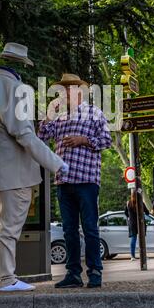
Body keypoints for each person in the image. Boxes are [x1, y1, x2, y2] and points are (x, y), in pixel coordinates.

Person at [0, 42, 68, 292]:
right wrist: (56, 163)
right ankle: (7, 279)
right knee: (8, 230)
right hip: (14, 176)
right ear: (21, 67)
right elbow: (25, 135)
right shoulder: (18, 90)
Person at [38, 73, 112, 288]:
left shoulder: (95, 113)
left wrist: (83, 140)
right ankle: (73, 274)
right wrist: (49, 114)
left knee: (90, 227)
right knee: (69, 230)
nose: (65, 92)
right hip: (63, 181)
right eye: (63, 89)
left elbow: (106, 140)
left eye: (69, 88)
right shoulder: (59, 116)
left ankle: (95, 272)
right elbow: (41, 139)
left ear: (80, 92)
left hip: (87, 180)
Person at [125, 192, 149, 260]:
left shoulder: (128, 203)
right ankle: (143, 255)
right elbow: (147, 213)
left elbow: (125, 213)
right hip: (140, 223)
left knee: (133, 239)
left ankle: (132, 256)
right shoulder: (141, 203)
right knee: (142, 240)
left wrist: (130, 217)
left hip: (132, 224)